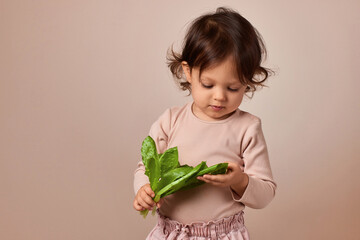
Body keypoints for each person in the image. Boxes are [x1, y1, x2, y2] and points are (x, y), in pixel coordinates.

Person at [133, 7, 277, 240]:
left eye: (233, 88)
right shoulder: (170, 121)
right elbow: (146, 168)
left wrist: (240, 180)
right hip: (171, 234)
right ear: (188, 72)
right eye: (208, 85)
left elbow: (266, 193)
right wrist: (143, 189)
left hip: (223, 234)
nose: (219, 96)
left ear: (248, 81)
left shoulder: (247, 128)